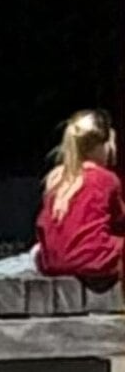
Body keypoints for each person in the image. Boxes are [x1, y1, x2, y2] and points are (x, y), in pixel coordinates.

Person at [35, 110, 125, 280]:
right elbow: (119, 218)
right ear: (100, 146)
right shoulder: (105, 179)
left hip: (51, 261)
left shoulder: (56, 177)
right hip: (91, 258)